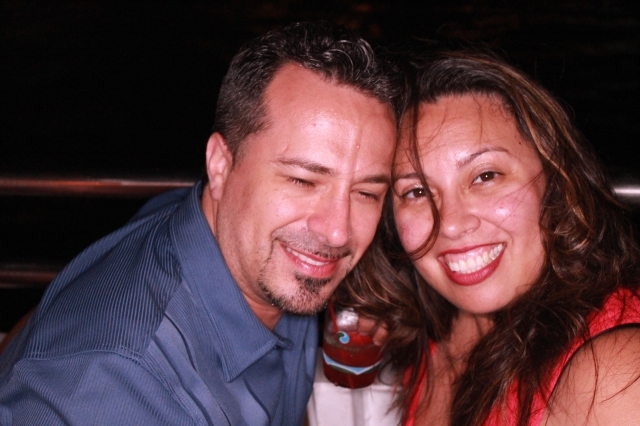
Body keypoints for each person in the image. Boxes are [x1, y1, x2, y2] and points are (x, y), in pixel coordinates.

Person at [0, 21, 400, 425]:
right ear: (221, 165)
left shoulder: (224, 236)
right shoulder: (124, 389)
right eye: (303, 181)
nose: (337, 231)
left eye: (366, 193)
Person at [341, 48, 640, 425]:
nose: (450, 224)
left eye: (485, 176)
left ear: (555, 182)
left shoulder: (616, 376)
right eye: (417, 192)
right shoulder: (432, 334)